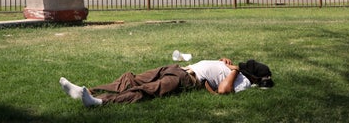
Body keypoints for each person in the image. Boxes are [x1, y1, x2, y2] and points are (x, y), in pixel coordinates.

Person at [59, 57, 273, 107]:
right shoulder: (232, 66)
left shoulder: (242, 81)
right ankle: (88, 91)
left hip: (187, 79)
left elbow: (225, 91)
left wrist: (234, 72)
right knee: (130, 77)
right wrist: (225, 62)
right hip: (177, 69)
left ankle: (99, 102)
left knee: (146, 90)